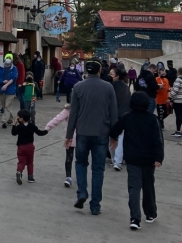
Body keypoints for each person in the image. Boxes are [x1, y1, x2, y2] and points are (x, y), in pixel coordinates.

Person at [65, 60, 119, 215]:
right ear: (100, 70)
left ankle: (82, 193)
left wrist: (69, 135)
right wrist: (114, 135)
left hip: (82, 132)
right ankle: (95, 205)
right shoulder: (108, 87)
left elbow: (73, 113)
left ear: (87, 71)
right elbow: (113, 113)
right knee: (98, 169)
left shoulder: (78, 87)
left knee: (81, 163)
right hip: (101, 133)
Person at [110, 92, 164, 230]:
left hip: (132, 157)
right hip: (149, 158)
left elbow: (115, 129)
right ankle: (150, 213)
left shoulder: (127, 117)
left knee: (134, 188)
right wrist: (159, 157)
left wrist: (114, 138)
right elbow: (158, 140)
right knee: (148, 185)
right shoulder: (153, 119)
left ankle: (135, 218)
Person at [12, 108, 47, 184]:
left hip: (21, 147)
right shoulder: (32, 126)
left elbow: (13, 133)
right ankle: (30, 177)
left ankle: (19, 171)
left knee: (21, 161)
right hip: (30, 146)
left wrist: (14, 125)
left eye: (18, 117)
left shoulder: (19, 127)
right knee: (30, 162)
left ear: (21, 118)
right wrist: (46, 130)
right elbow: (39, 133)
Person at [44, 102, 74, 187]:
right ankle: (80, 177)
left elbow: (57, 119)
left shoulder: (69, 109)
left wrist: (47, 128)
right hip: (82, 137)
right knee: (81, 160)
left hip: (70, 137)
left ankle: (68, 177)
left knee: (69, 157)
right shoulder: (85, 107)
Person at [109, 64, 132, 171]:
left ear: (117, 76)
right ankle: (117, 161)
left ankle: (115, 160)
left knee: (112, 138)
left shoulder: (111, 87)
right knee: (120, 138)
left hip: (114, 116)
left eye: (112, 74)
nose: (110, 75)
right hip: (124, 115)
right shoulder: (125, 87)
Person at [0, 55, 18, 121]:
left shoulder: (14, 69)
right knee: (5, 106)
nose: (7, 65)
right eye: (6, 64)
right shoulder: (0, 68)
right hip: (1, 90)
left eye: (8, 64)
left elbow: (14, 78)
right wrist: (2, 81)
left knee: (7, 106)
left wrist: (6, 85)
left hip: (11, 90)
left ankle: (4, 120)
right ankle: (10, 119)